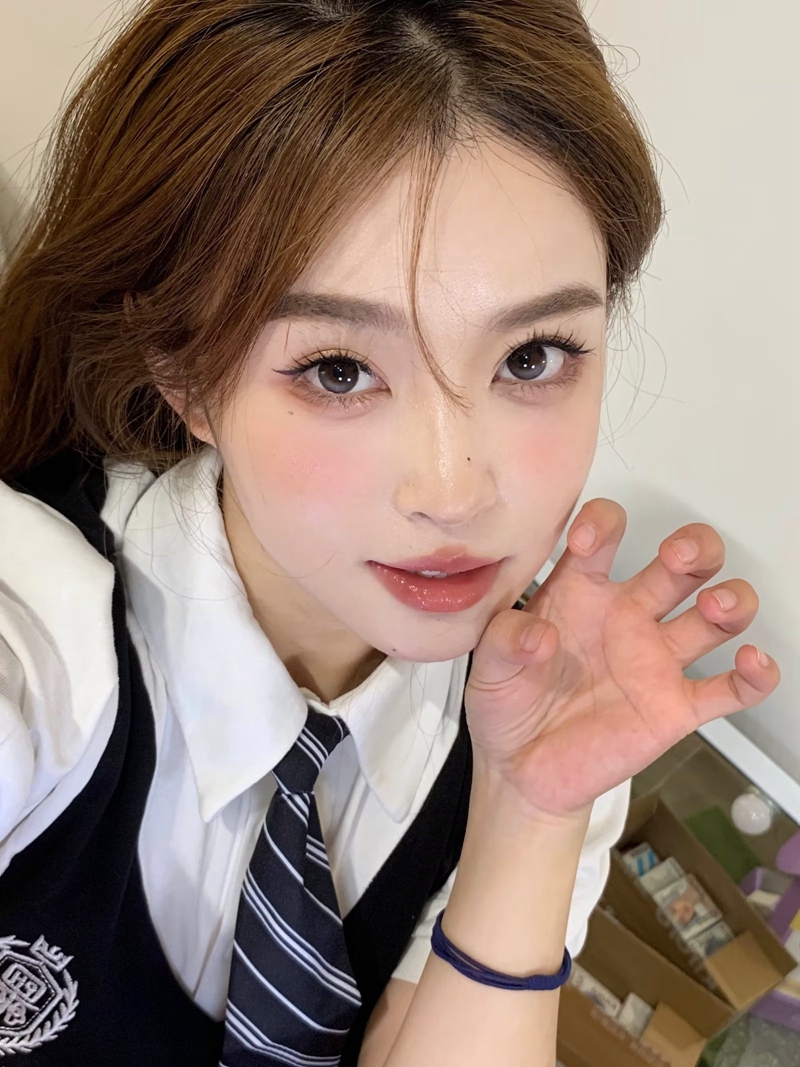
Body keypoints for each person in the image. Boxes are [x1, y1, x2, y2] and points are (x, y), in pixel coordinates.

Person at [0, 1, 780, 1064]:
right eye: (337, 370)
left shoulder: (546, 710)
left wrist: (532, 812)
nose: (453, 492)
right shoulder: (35, 629)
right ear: (183, 372)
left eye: (533, 357)